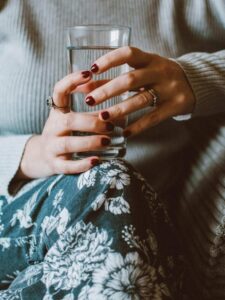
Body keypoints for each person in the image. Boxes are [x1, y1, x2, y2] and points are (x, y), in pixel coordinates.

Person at [0, 0, 224, 299]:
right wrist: (35, 153)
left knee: (111, 186)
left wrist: (195, 77)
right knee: (107, 182)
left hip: (138, 222)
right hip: (16, 212)